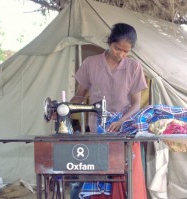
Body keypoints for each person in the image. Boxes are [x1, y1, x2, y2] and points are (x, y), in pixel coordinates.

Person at [70, 23, 148, 199]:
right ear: (109, 42)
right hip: (97, 131)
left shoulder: (134, 68)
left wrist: (121, 120)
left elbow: (136, 104)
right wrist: (62, 109)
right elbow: (80, 97)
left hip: (124, 131)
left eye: (126, 51)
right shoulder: (91, 64)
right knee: (90, 174)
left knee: (124, 179)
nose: (120, 54)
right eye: (117, 48)